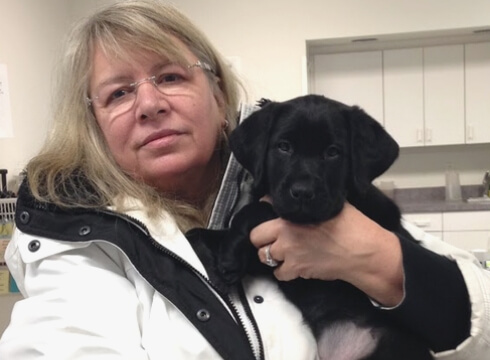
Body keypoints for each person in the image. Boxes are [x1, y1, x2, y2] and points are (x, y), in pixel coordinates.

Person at [0, 0, 489, 359]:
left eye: (170, 77)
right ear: (94, 123)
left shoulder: (304, 189)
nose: (149, 104)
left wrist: (380, 260)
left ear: (216, 90)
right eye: (119, 92)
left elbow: (479, 322)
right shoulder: (73, 239)